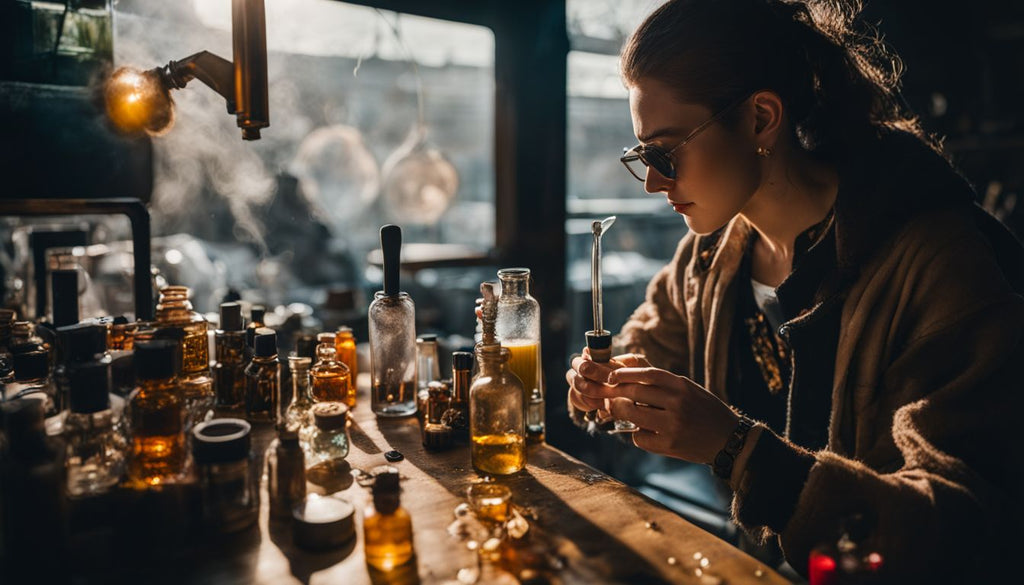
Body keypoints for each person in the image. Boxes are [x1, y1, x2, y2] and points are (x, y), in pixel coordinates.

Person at [565, 0, 1024, 581]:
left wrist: (738, 450)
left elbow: (965, 526)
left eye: (666, 152)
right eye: (643, 156)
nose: (654, 183)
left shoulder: (935, 261)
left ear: (760, 118)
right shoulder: (708, 257)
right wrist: (601, 389)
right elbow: (647, 345)